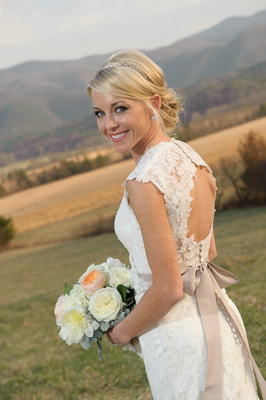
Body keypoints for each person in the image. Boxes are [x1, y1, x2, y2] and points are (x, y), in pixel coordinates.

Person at [87, 49, 265, 400]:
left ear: (153, 103)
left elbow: (169, 288)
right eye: (99, 113)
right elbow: (206, 253)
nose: (109, 124)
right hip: (219, 318)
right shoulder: (191, 157)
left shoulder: (143, 181)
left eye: (120, 108)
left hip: (178, 339)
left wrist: (121, 331)